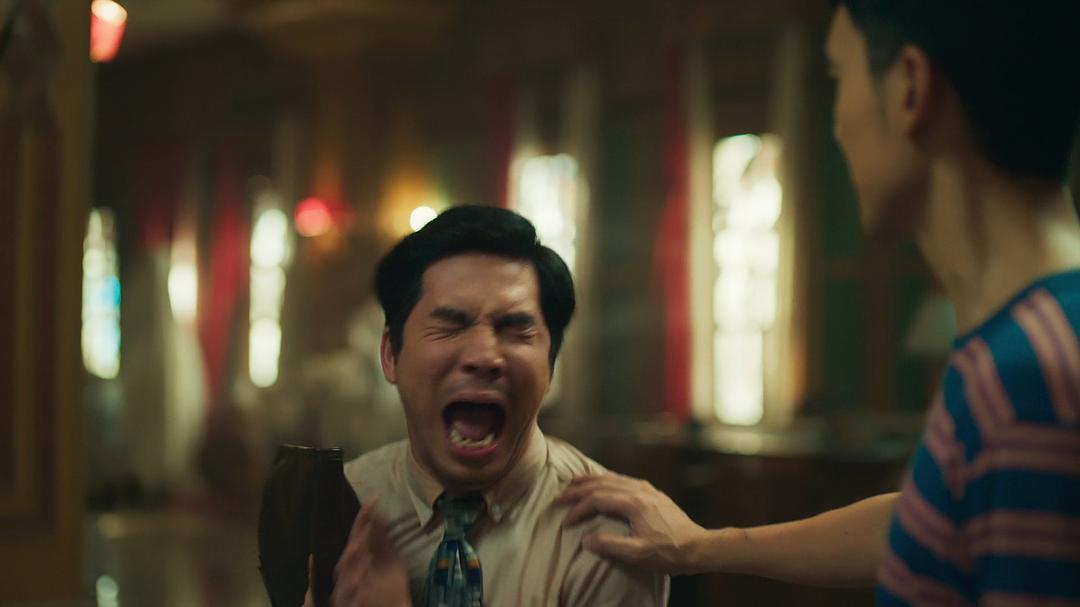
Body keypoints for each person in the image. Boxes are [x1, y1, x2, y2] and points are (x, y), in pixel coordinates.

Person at [556, 0, 1080, 605]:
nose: (837, 124)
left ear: (910, 89)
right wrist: (702, 545)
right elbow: (926, 520)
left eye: (839, 77)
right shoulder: (1029, 346)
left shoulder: (1030, 375)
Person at [325, 205, 669, 606]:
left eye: (515, 330)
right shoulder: (343, 504)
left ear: (551, 365)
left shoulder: (608, 534)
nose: (484, 356)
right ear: (390, 354)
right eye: (450, 326)